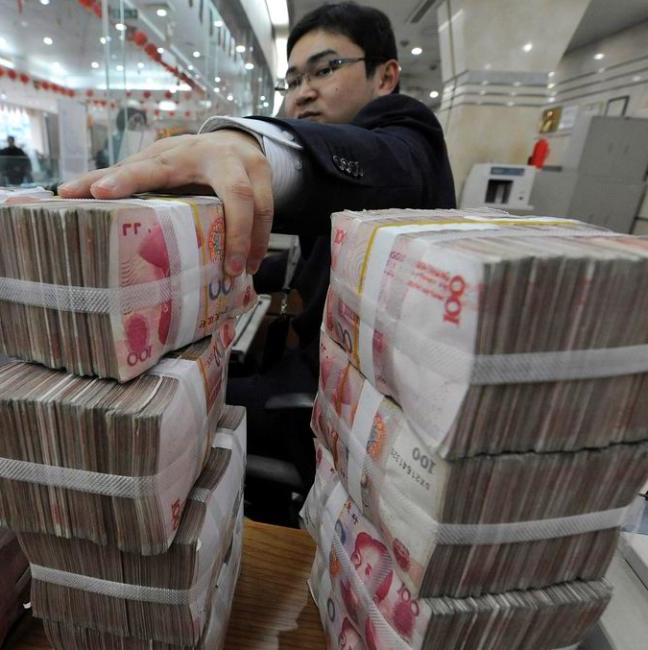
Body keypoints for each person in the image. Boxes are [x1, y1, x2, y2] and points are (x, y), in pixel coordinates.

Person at [59, 2, 455, 522]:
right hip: (311, 370)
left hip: (329, 403)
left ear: (386, 75)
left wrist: (251, 145)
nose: (304, 91)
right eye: (293, 79)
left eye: (325, 68)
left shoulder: (408, 133)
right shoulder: (354, 166)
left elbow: (379, 166)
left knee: (139, 409)